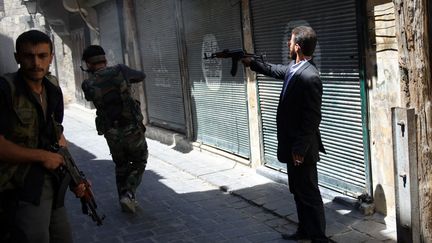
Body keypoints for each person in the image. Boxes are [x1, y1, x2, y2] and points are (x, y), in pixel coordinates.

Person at [242, 26, 328, 242]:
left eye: (290, 42)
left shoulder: (310, 77)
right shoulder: (295, 67)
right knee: (298, 191)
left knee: (309, 193)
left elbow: (312, 119)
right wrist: (252, 63)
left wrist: (299, 148)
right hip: (292, 146)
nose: (288, 45)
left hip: (303, 149)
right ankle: (304, 231)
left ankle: (318, 237)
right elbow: (275, 70)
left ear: (297, 46)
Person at [0, 30, 82, 243]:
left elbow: (58, 136)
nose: (36, 63)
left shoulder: (52, 88)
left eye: (42, 56)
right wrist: (42, 156)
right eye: (28, 56)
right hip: (19, 185)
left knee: (63, 236)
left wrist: (75, 177)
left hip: (52, 181)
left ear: (51, 58)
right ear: (17, 57)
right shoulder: (5, 90)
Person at [80, 45, 148, 214]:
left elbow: (92, 95)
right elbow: (141, 76)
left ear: (88, 64)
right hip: (131, 128)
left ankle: (123, 200)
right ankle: (129, 193)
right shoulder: (120, 70)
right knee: (139, 160)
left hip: (111, 132)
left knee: (121, 165)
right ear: (105, 59)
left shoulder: (87, 84)